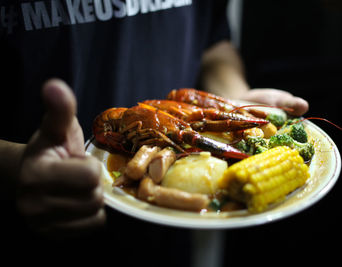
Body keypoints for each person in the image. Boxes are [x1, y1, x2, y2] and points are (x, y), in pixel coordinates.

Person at [0, 0, 308, 252]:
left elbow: (215, 46)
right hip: (40, 229)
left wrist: (234, 98)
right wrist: (14, 166)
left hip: (170, 236)